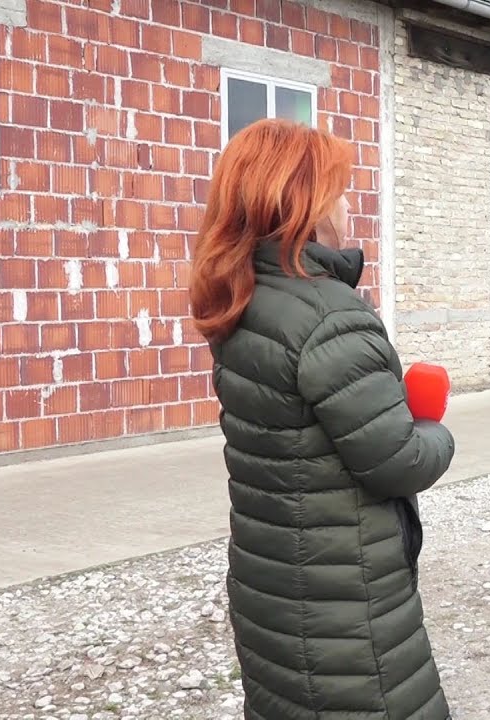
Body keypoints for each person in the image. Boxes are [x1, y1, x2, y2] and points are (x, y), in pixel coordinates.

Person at [189, 118, 456, 720]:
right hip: (344, 602)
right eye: (336, 189)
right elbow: (398, 461)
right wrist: (432, 426)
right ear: (302, 204)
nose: (345, 205)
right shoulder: (332, 316)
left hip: (271, 584)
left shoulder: (241, 298)